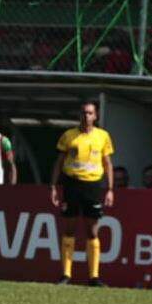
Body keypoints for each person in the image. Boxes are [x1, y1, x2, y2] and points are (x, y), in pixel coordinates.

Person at [51, 100, 115, 286]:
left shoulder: (103, 136)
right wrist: (54, 186)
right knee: (69, 228)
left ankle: (94, 277)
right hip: (72, 184)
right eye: (83, 113)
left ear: (95, 116)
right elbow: (59, 162)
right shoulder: (68, 136)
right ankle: (66, 275)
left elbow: (107, 164)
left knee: (92, 230)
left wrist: (110, 189)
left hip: (93, 186)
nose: (85, 116)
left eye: (89, 113)